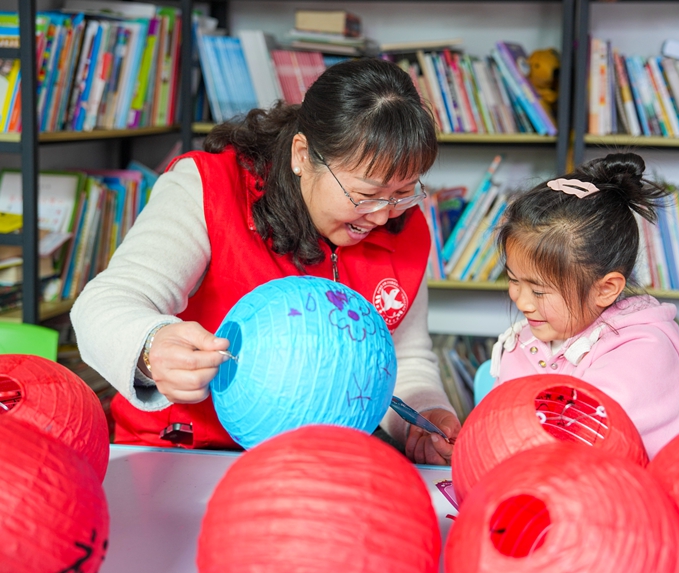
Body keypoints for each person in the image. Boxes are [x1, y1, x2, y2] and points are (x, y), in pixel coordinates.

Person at [70, 58, 460, 465]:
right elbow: (105, 304)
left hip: (319, 462)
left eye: (403, 192)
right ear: (302, 155)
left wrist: (421, 416)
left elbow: (407, 357)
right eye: (366, 194)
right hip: (187, 454)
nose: (382, 215)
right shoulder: (209, 188)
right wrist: (152, 347)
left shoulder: (404, 227)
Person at [489, 152, 679, 459]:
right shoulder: (525, 340)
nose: (521, 301)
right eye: (513, 280)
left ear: (605, 289)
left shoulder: (645, 353)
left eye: (539, 291)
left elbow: (578, 442)